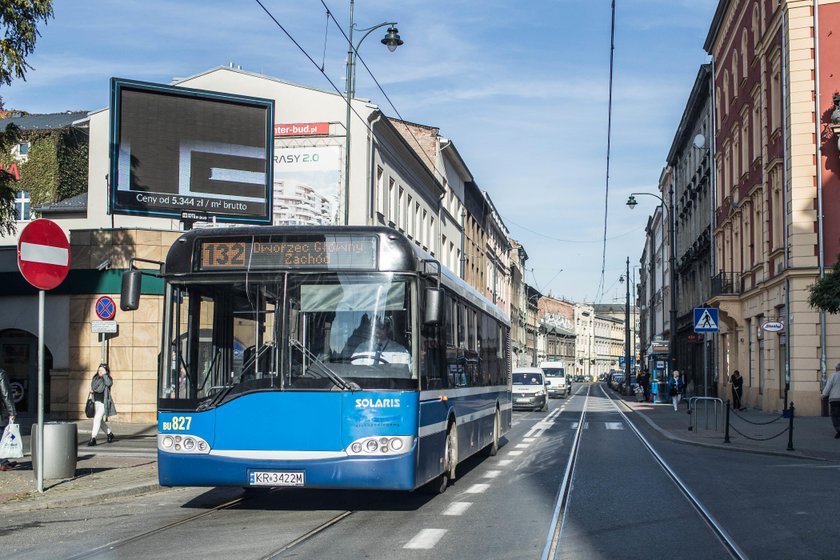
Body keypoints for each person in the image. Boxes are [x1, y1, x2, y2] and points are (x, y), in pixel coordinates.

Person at [88, 363, 116, 446]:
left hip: (104, 403)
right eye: (99, 370)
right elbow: (93, 386)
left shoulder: (107, 378)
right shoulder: (95, 378)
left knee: (96, 419)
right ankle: (109, 434)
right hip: (96, 402)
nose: (100, 371)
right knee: (99, 420)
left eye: (102, 370)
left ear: (106, 371)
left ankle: (93, 438)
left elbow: (109, 383)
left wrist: (105, 375)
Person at [0, 368, 18, 471]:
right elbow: (5, 394)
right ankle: (3, 462)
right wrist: (12, 412)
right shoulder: (0, 373)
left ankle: (3, 461)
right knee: (2, 435)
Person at [822, 362, 840, 439]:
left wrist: (824, 395)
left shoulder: (833, 375)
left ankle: (839, 430)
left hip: (835, 399)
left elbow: (828, 386)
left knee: (835, 416)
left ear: (837, 368)